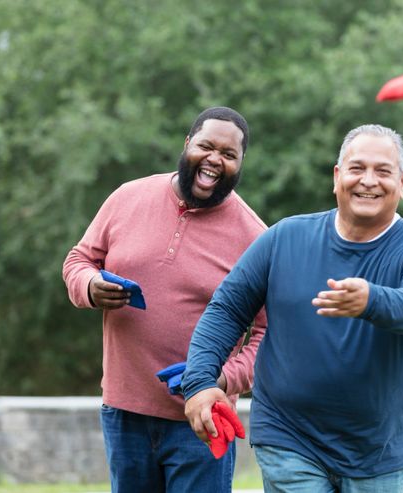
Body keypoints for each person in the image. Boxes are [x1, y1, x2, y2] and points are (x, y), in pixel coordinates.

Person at [181, 124, 403, 492]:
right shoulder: (283, 239)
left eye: (383, 171)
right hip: (288, 437)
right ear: (337, 176)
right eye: (357, 168)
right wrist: (198, 382)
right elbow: (227, 310)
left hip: (376, 452)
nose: (368, 181)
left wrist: (371, 300)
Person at [62, 106, 267, 493]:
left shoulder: (255, 238)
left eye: (228, 154)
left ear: (241, 164)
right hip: (124, 412)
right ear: (187, 144)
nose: (214, 160)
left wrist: (220, 379)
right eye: (206, 146)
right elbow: (79, 259)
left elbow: (269, 334)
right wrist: (89, 285)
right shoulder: (128, 197)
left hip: (203, 419)